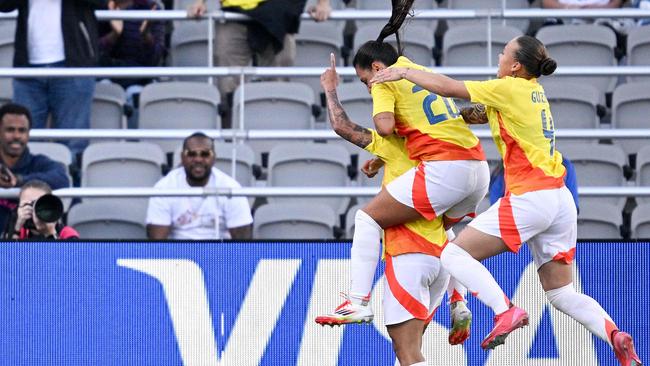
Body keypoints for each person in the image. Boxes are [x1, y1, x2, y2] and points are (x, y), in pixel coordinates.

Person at [370, 30, 642, 365]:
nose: (498, 57)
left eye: (503, 53)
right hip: (559, 199)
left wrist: (404, 72)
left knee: (452, 255)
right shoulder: (532, 92)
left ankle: (506, 310)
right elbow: (477, 113)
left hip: (531, 196)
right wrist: (435, 119)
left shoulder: (507, 87)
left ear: (515, 66)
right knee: (561, 293)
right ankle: (614, 335)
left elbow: (451, 87)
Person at [315, 0, 489, 346]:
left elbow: (349, 127)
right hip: (448, 239)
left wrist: (330, 88)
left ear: (377, 68)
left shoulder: (388, 108)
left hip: (408, 251)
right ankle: (460, 300)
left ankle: (358, 301)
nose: (368, 87)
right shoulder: (420, 80)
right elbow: (468, 113)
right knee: (446, 231)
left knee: (366, 220)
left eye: (365, 80)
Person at [187, 0, 331, 126]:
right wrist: (200, 2)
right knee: (227, 85)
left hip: (277, 13)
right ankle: (230, 141)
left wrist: (323, 3)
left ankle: (276, 137)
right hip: (233, 13)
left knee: (279, 86)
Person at [0, 0, 106, 157]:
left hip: (74, 64)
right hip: (28, 67)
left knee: (73, 143)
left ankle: (71, 180)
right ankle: (27, 181)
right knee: (24, 141)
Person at [146, 132, 253, 240]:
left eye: (205, 154)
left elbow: (243, 244)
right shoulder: (164, 188)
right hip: (178, 253)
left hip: (219, 253)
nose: (198, 159)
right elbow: (157, 243)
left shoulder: (230, 187)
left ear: (214, 158)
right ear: (182, 157)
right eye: (191, 154)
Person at [0, 103, 70, 235]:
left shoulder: (38, 162)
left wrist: (19, 181)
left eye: (22, 130)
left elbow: (62, 178)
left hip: (29, 243)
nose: (16, 136)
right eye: (10, 130)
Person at [99, 0, 166, 128]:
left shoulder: (152, 8)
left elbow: (155, 61)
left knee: (137, 94)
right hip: (108, 76)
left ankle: (136, 146)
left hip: (140, 79)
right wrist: (114, 35)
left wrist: (146, 36)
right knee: (103, 89)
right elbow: (93, 57)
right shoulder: (102, 7)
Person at [2, 180, 78, 240]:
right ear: (19, 207)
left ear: (51, 206)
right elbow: (8, 258)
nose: (34, 209)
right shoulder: (18, 231)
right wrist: (16, 228)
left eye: (39, 204)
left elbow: (64, 259)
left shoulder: (66, 234)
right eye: (28, 204)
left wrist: (49, 234)